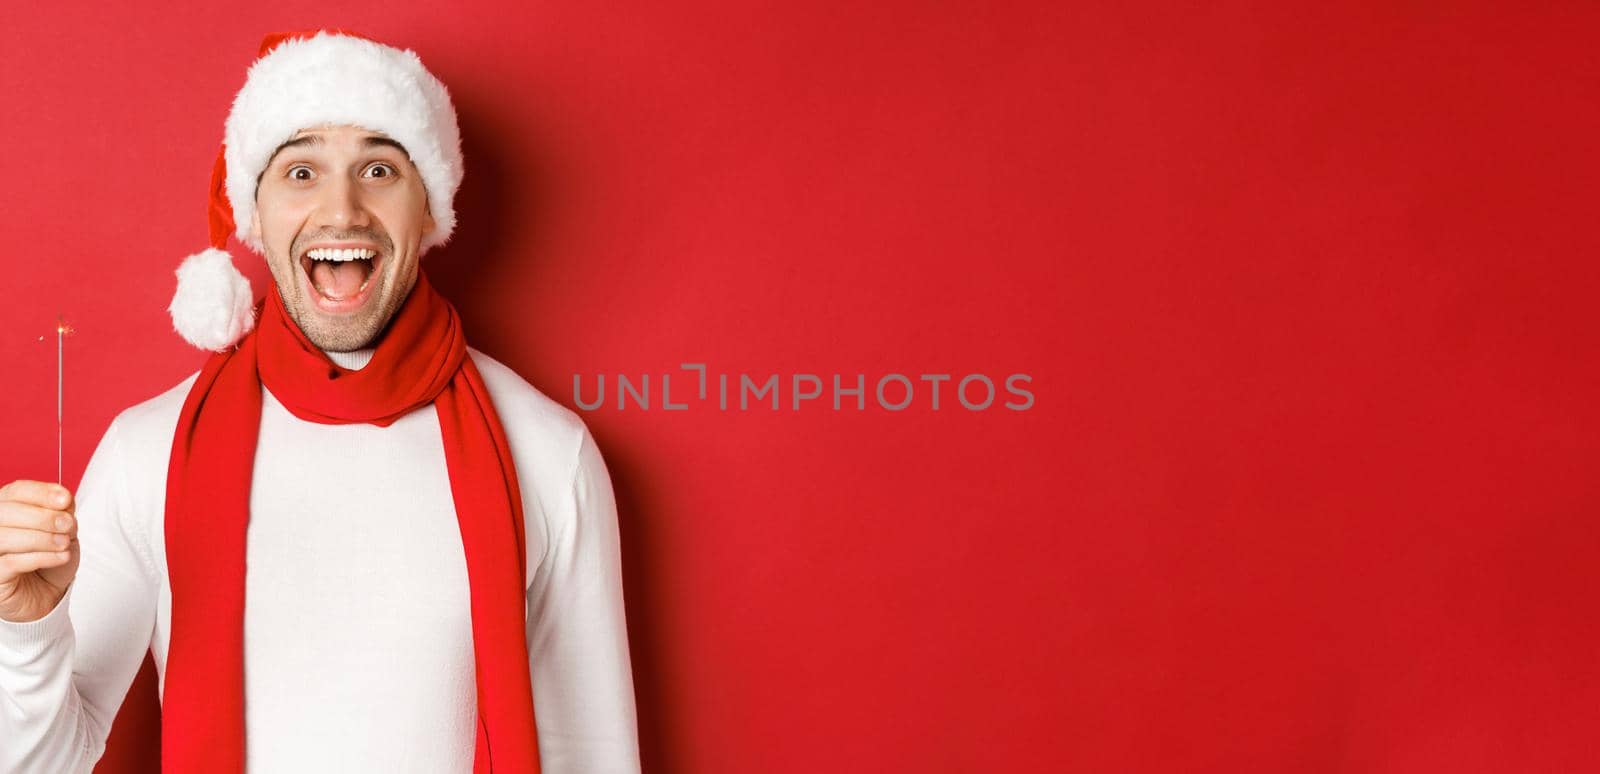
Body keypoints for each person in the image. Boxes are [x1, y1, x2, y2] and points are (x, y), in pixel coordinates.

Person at [0, 28, 642, 773]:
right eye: (301, 171)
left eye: (378, 168)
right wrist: (26, 631)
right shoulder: (150, 449)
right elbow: (37, 763)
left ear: (430, 210)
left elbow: (593, 756)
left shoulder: (546, 451)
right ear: (254, 214)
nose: (341, 211)